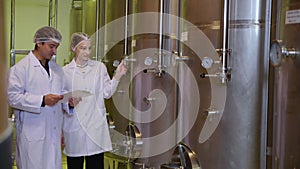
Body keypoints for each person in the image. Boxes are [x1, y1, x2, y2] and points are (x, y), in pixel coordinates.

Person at [7, 26, 74, 169]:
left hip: (53, 132)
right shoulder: (21, 69)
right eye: (51, 46)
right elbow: (12, 97)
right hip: (32, 133)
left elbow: (62, 95)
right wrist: (42, 100)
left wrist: (69, 102)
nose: (54, 51)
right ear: (39, 42)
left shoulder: (57, 70)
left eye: (56, 47)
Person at [62, 32, 127, 169]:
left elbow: (107, 93)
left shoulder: (99, 67)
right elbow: (61, 99)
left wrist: (118, 76)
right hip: (75, 127)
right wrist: (69, 103)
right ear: (73, 48)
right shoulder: (64, 72)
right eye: (83, 48)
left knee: (95, 165)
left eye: (89, 48)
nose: (87, 52)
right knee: (74, 165)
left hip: (95, 128)